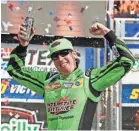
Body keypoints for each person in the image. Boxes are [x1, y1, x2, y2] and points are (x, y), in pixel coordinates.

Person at [7, 22, 135, 130]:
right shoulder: (47, 81)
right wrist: (23, 46)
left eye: (64, 53)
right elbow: (15, 70)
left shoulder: (91, 79)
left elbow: (127, 60)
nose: (60, 58)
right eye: (55, 56)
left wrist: (108, 34)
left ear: (74, 54)